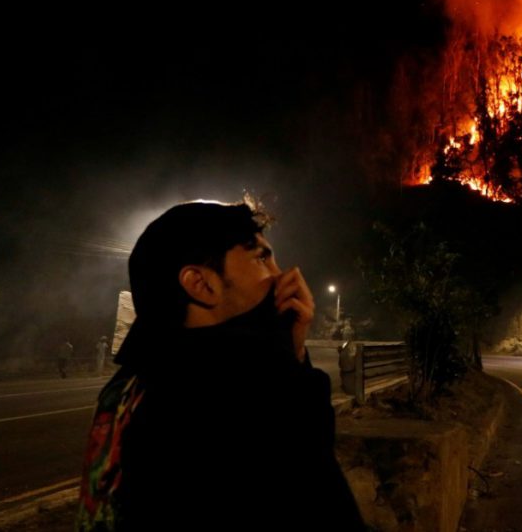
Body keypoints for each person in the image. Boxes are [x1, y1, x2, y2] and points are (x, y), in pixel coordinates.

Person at [76, 200, 365, 531]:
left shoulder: (133, 386)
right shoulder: (232, 398)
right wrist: (289, 370)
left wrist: (293, 352)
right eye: (261, 258)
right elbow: (322, 505)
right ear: (201, 284)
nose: (283, 276)